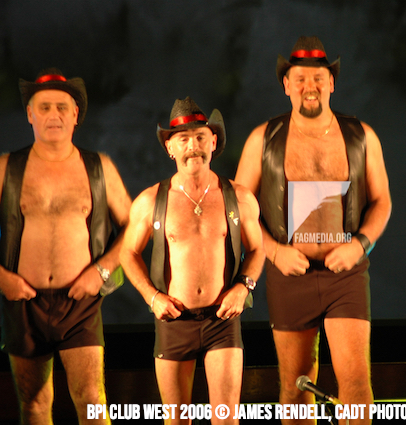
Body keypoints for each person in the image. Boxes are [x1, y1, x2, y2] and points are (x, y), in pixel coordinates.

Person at [235, 36, 391, 424]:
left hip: (346, 276)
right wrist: (274, 252)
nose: (310, 86)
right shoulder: (263, 138)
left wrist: (360, 245)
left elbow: (382, 201)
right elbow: (239, 208)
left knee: (356, 384)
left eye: (318, 78)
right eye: (301, 78)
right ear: (286, 85)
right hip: (290, 276)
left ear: (332, 83)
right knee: (296, 387)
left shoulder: (361, 136)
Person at [120, 97, 264, 425]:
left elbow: (258, 249)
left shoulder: (239, 197)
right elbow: (127, 253)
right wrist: (152, 297)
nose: (193, 146)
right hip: (174, 322)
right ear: (169, 148)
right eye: (183, 139)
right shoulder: (150, 201)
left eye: (200, 137)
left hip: (222, 322)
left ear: (213, 142)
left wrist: (244, 287)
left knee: (226, 420)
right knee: (177, 421)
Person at [0, 68, 131, 424]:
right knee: (34, 405)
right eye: (43, 107)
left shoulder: (99, 167)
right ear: (30, 114)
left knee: (92, 400)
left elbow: (135, 226)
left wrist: (101, 272)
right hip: (23, 304)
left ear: (76, 114)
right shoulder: (6, 168)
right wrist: (2, 278)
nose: (53, 115)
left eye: (61, 107)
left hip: (80, 305)